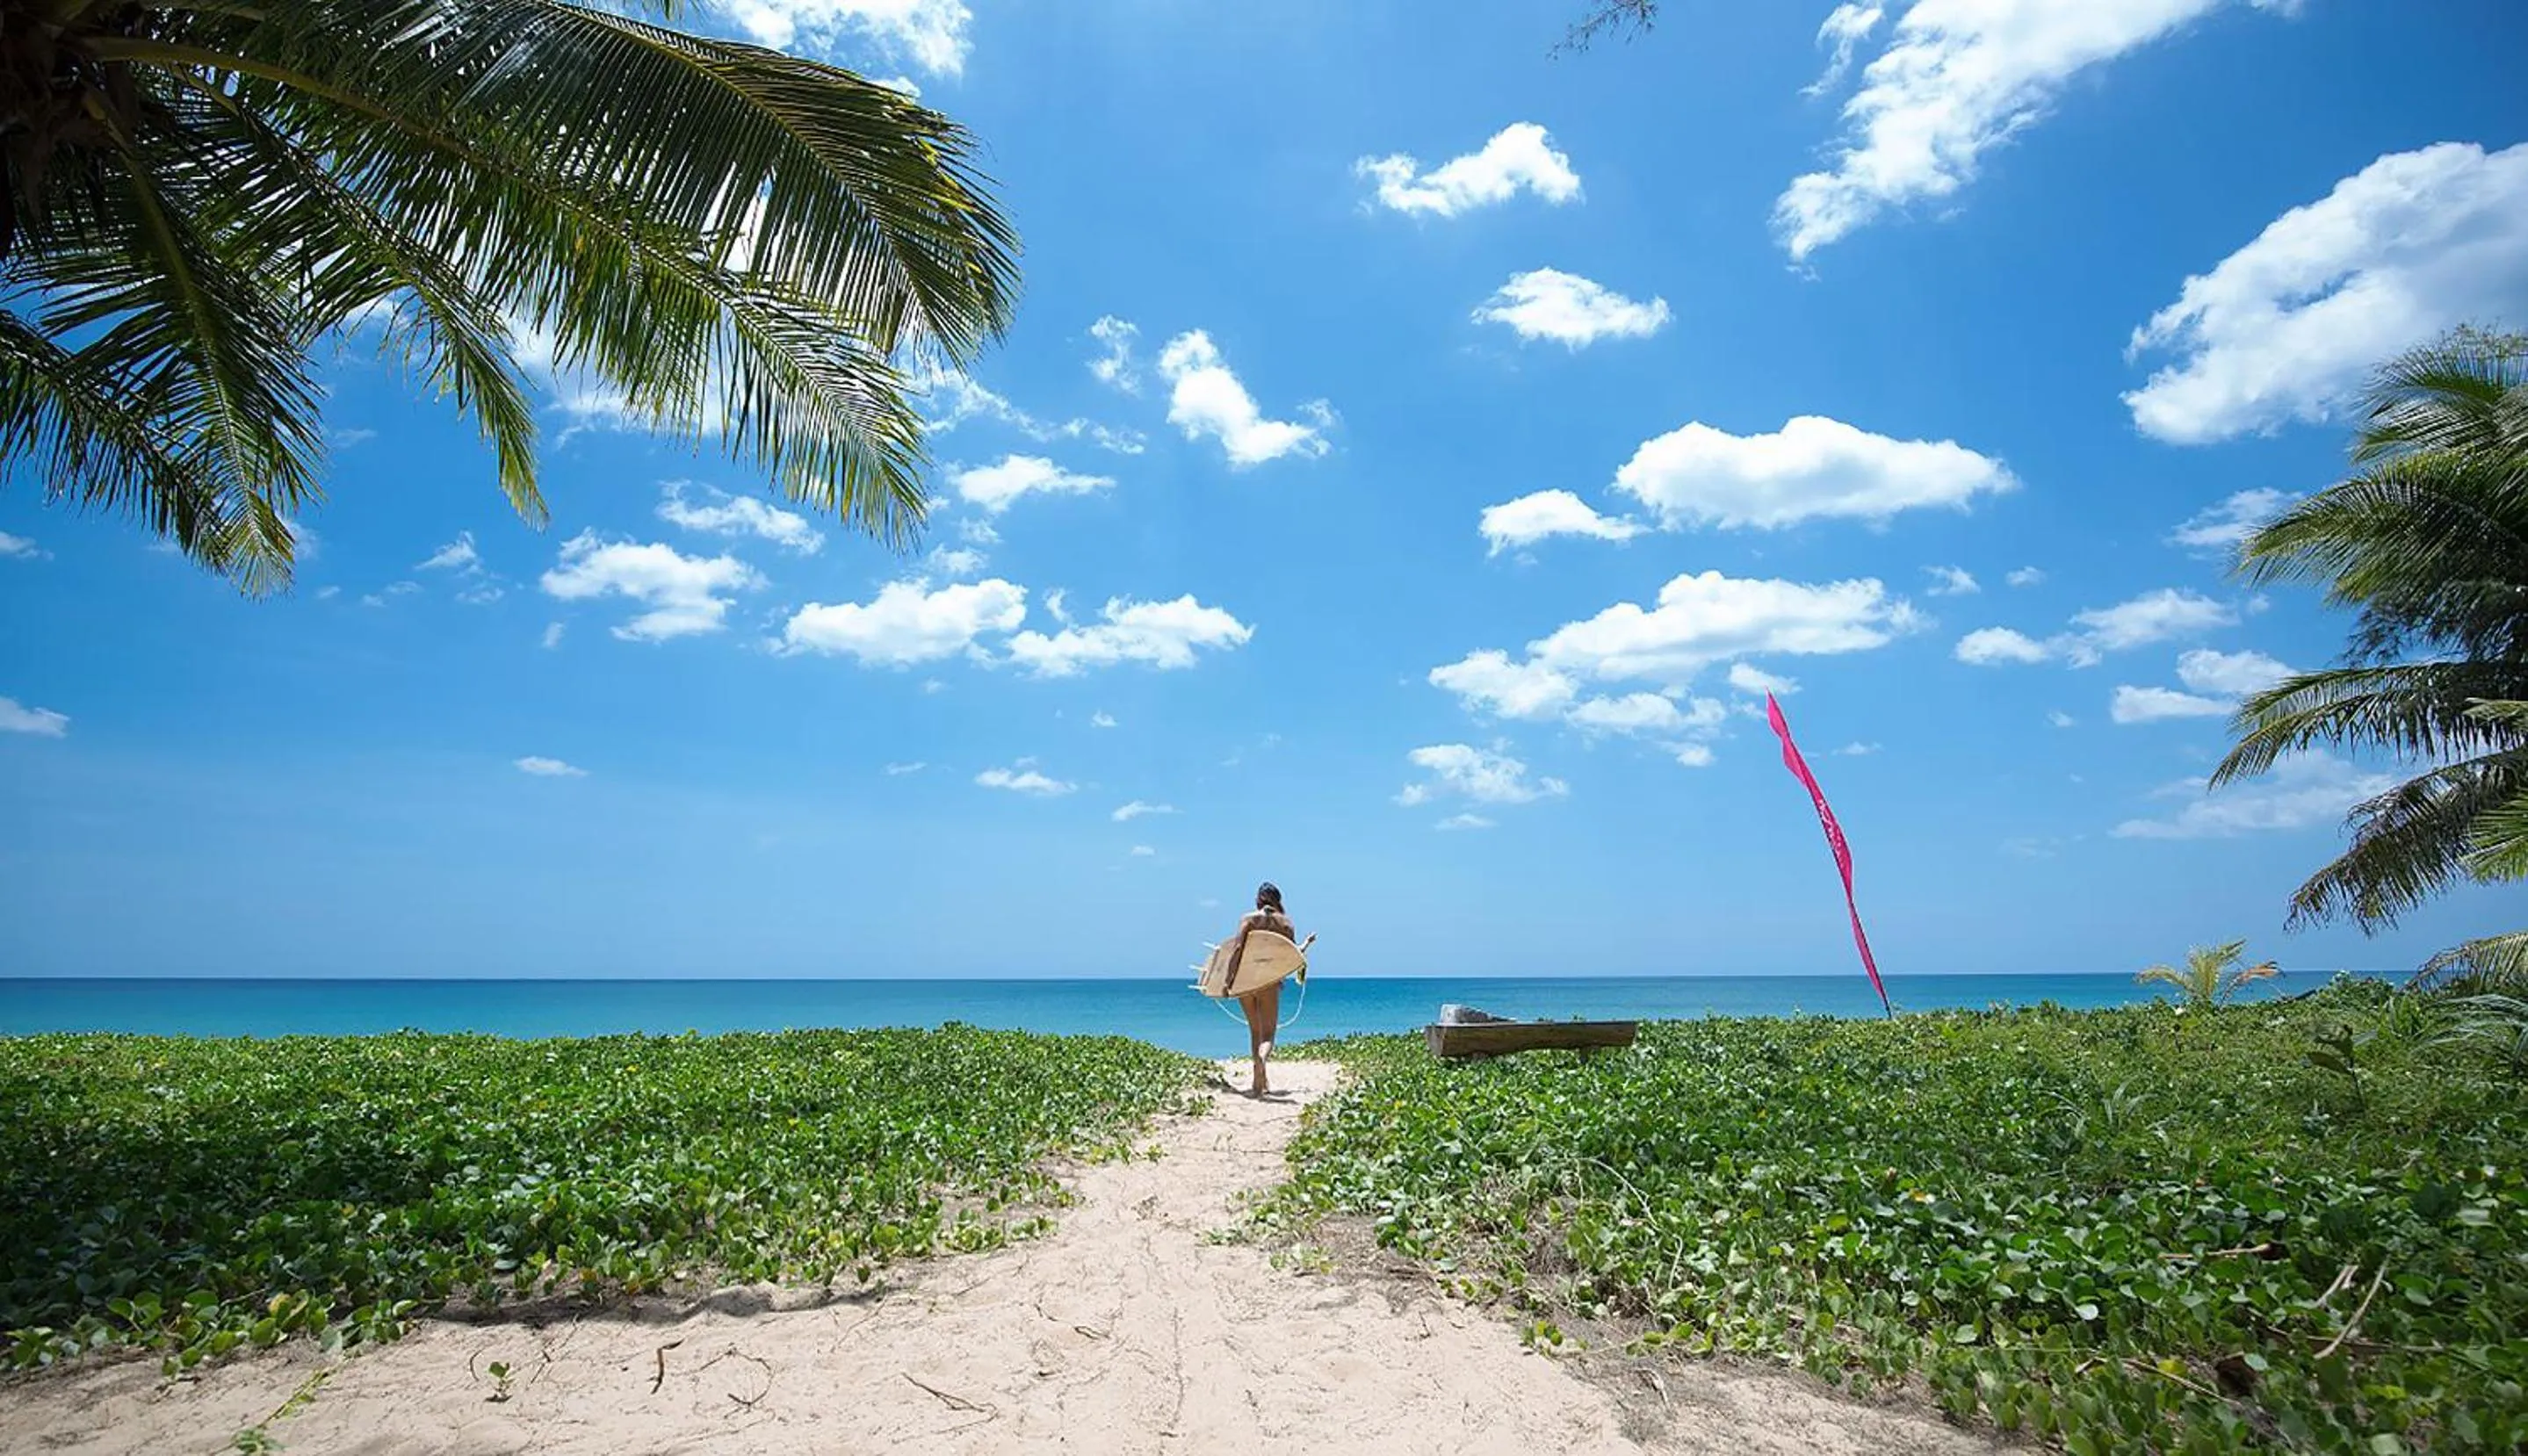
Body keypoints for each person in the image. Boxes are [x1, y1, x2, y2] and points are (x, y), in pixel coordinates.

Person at [1223, 881, 1312, 1096]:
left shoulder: (1248, 919)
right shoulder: (1286, 924)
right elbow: (1289, 956)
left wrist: (1228, 980)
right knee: (1268, 1034)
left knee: (1254, 1030)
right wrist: (1306, 945)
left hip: (1245, 981)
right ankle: (1262, 1062)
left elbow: (1237, 949)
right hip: (1269, 983)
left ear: (1258, 899)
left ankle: (1258, 1084)